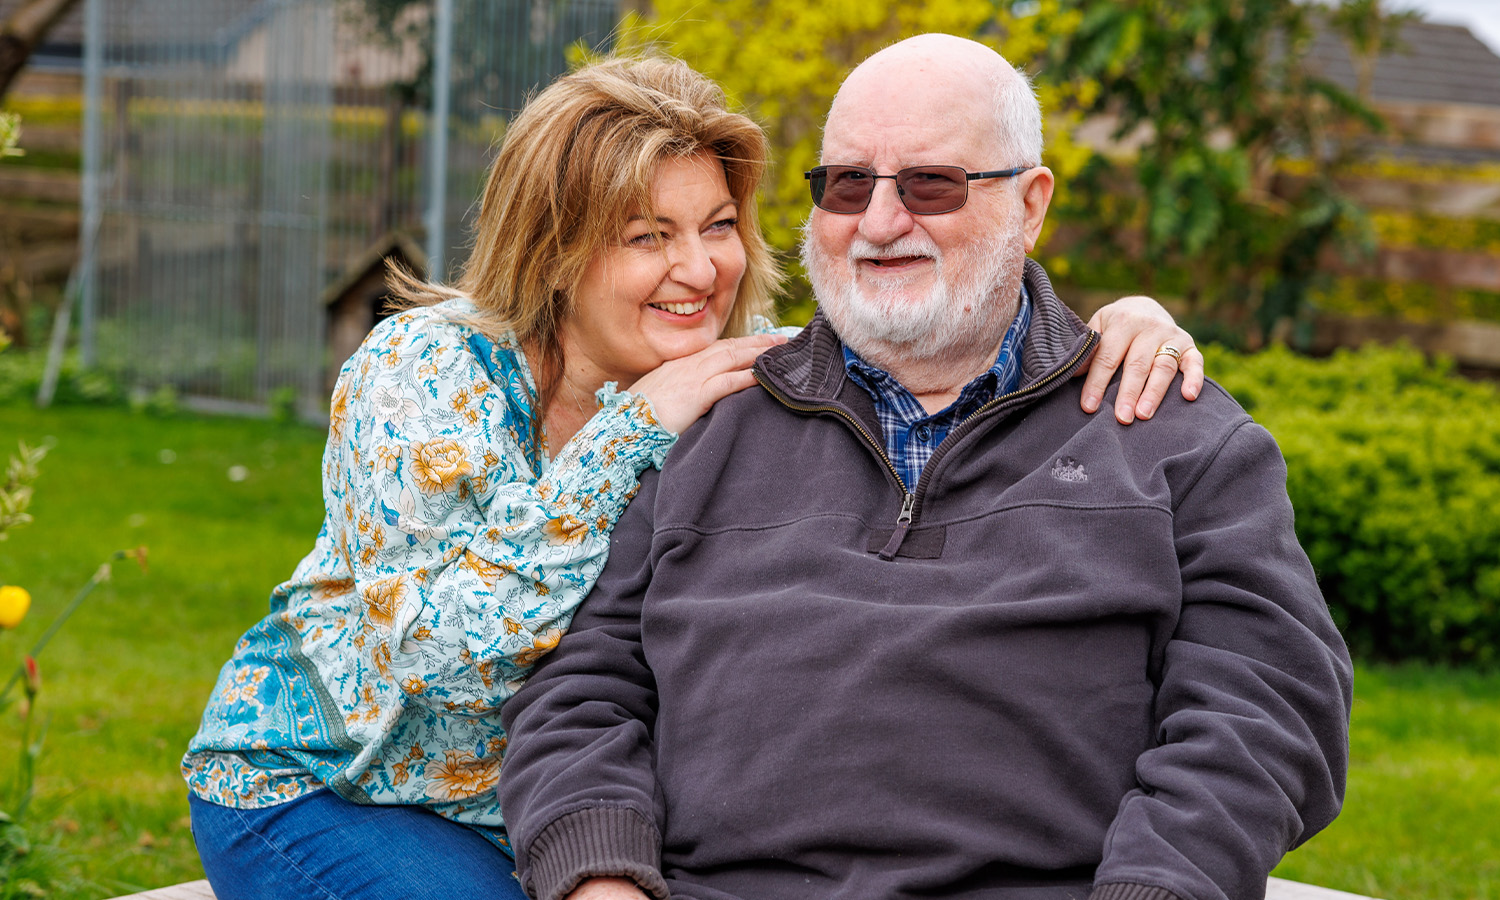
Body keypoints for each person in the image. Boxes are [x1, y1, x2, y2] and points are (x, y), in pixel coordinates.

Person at [183, 55, 1205, 900]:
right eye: (648, 237)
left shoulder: (739, 367)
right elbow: (442, 663)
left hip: (551, 806)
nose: (702, 269)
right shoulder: (425, 375)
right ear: (555, 252)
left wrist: (1115, 324)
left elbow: (927, 330)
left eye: (717, 225)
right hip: (343, 790)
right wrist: (630, 433)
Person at [498, 36, 1354, 900]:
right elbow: (580, 691)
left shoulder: (1173, 436)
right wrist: (600, 880)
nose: (877, 223)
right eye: (847, 185)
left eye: (929, 185)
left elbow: (1266, 708)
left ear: (1030, 205)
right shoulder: (709, 422)